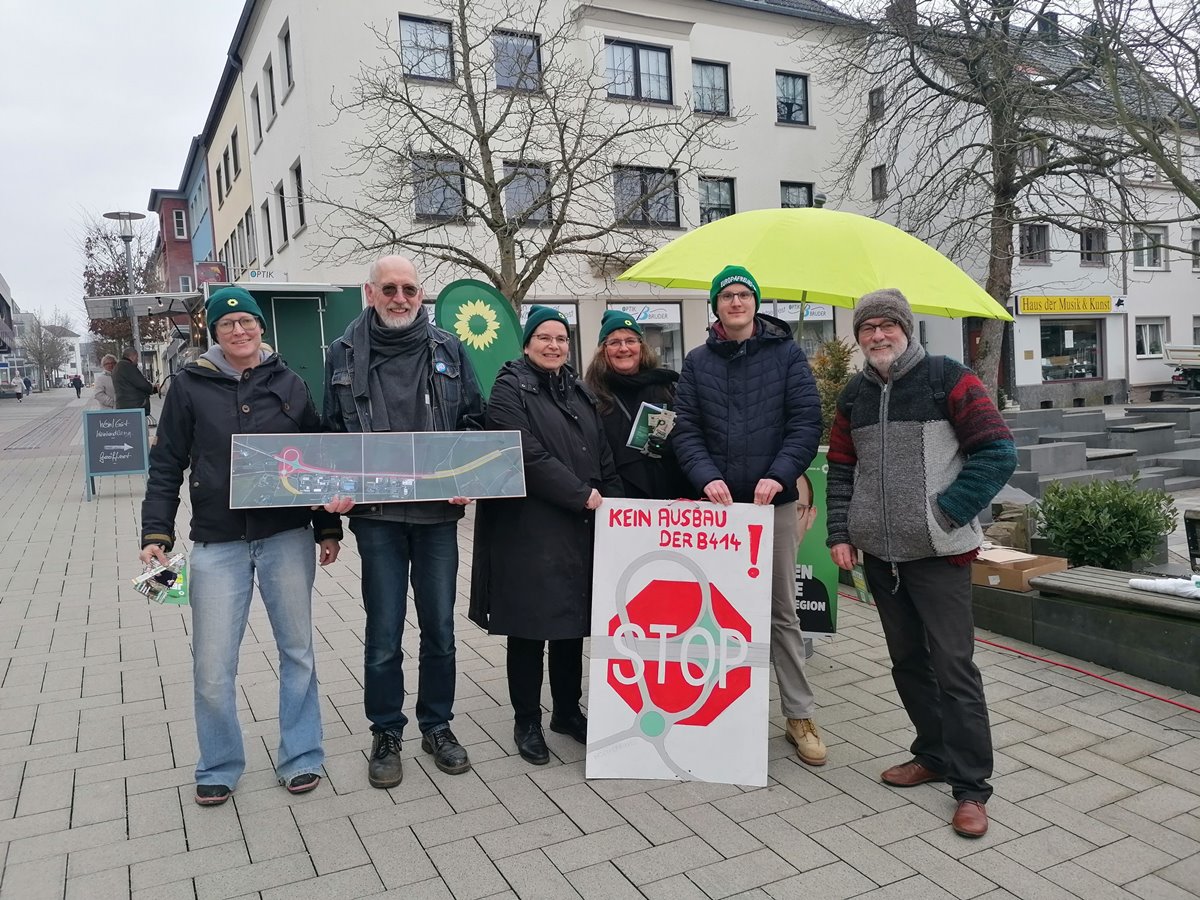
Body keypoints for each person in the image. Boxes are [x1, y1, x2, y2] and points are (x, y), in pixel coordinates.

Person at [140, 286, 347, 807]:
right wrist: (155, 533)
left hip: (286, 537)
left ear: (260, 327)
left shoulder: (291, 382)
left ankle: (301, 756)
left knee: (297, 651)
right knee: (212, 665)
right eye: (227, 323)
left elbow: (317, 459)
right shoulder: (188, 386)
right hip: (217, 541)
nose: (239, 330)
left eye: (247, 321)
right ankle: (218, 763)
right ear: (214, 332)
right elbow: (166, 466)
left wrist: (328, 528)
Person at [825, 288, 1017, 839]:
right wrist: (841, 533)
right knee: (908, 663)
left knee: (955, 668)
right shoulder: (853, 395)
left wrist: (946, 513)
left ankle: (972, 787)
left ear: (906, 329)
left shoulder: (946, 377)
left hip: (940, 555)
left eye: (888, 325)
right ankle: (932, 753)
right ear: (858, 336)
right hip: (882, 559)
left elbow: (998, 452)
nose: (878, 336)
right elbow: (840, 469)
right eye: (867, 328)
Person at [323, 255, 483, 786]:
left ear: (421, 295)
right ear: (370, 293)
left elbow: (474, 421)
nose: (400, 298)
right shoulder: (343, 354)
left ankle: (437, 725)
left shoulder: (449, 349)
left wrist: (468, 478)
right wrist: (337, 489)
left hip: (438, 516)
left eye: (409, 289)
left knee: (439, 626)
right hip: (377, 518)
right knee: (383, 629)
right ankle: (386, 730)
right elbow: (330, 434)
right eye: (388, 289)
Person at [673, 265, 827, 767]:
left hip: (772, 506)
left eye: (744, 295)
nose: (736, 302)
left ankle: (799, 715)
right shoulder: (697, 362)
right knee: (712, 612)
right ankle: (714, 711)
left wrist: (780, 475)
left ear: (755, 303)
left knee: (781, 612)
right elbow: (686, 430)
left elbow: (806, 422)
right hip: (717, 510)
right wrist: (705, 476)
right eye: (727, 295)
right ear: (715, 306)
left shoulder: (786, 356)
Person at [469, 306, 622, 765]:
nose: (554, 345)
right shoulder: (509, 388)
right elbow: (525, 454)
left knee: (571, 625)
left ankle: (567, 713)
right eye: (544, 337)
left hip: (578, 526)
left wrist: (614, 503)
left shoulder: (578, 390)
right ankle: (527, 720)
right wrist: (582, 495)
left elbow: (601, 454)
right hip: (528, 528)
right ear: (527, 342)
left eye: (561, 338)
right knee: (530, 628)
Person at [583, 310, 691, 499]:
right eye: (614, 342)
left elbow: (690, 435)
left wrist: (671, 444)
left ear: (641, 347)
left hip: (668, 498)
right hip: (616, 501)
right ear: (603, 350)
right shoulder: (589, 395)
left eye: (631, 341)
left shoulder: (669, 387)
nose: (623, 348)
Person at [113, 347, 154, 414]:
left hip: (122, 405)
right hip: (135, 406)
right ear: (133, 356)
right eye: (137, 358)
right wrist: (152, 389)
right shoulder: (128, 366)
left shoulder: (117, 367)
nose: (137, 360)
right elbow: (142, 384)